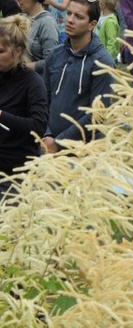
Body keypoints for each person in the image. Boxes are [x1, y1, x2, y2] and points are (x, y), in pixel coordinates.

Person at [42, 0, 115, 154]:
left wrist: (59, 142)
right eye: (69, 13)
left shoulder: (102, 62)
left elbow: (97, 115)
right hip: (48, 146)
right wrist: (47, 135)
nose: (70, 19)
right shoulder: (55, 55)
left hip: (84, 153)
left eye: (79, 17)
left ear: (92, 24)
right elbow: (43, 100)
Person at [0, 14, 48, 194]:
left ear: (18, 51)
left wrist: (2, 116)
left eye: (0, 52)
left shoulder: (32, 82)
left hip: (17, 175)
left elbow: (38, 126)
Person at [19, 0, 60, 74]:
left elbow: (51, 61)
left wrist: (24, 66)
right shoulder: (21, 19)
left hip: (36, 80)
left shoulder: (47, 23)